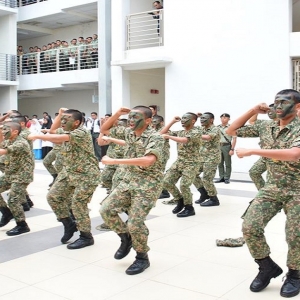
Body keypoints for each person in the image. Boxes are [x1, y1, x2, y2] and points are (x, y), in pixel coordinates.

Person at [226, 89, 300, 298]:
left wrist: (254, 151)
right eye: (275, 102)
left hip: (298, 190)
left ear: (297, 107)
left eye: (283, 102)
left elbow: (295, 154)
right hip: (273, 187)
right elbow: (232, 130)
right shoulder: (266, 126)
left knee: (295, 235)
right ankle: (266, 266)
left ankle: (295, 273)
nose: (277, 106)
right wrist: (253, 110)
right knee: (250, 226)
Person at [100, 106, 164, 275]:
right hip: (128, 181)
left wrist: (115, 161)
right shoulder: (130, 132)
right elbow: (105, 129)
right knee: (106, 210)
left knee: (135, 223)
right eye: (130, 117)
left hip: (148, 185)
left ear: (149, 121)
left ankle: (142, 257)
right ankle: (125, 238)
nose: (131, 121)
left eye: (136, 117)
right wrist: (118, 114)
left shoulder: (155, 137)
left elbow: (149, 160)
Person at [28, 108, 100, 249]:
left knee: (78, 204)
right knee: (53, 196)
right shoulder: (66, 129)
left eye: (66, 120)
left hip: (86, 175)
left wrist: (38, 137)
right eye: (62, 120)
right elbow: (52, 131)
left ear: (77, 122)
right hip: (69, 173)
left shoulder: (81, 132)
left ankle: (86, 236)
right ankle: (69, 224)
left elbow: (57, 138)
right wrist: (60, 115)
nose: (62, 122)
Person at [160, 113, 202, 217]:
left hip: (192, 162)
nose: (183, 120)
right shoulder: (181, 132)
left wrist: (169, 137)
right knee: (166, 181)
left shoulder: (197, 131)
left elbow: (185, 140)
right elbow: (161, 133)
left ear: (193, 121)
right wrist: (172, 122)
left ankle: (189, 207)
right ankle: (180, 200)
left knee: (184, 185)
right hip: (179, 161)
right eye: (182, 118)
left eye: (186, 118)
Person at [0, 122, 33, 236]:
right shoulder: (8, 141)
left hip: (22, 176)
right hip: (10, 174)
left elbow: (3, 151)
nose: (4, 132)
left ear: (15, 131)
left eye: (6, 130)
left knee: (13, 200)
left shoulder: (21, 143)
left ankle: (22, 225)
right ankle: (6, 213)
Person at [247, 104, 278, 190]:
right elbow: (252, 121)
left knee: (276, 180)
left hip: (280, 157)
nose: (270, 112)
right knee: (254, 172)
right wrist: (256, 111)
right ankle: (264, 195)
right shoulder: (265, 124)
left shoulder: (287, 123)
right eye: (268, 111)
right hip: (266, 156)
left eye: (272, 110)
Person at [193, 112, 221, 207]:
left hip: (212, 157)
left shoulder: (215, 129)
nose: (202, 120)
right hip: (201, 157)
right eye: (201, 119)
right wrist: (195, 117)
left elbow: (208, 137)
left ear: (211, 120)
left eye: (204, 118)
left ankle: (214, 199)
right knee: (193, 174)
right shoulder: (201, 129)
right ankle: (204, 193)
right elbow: (191, 127)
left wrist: (193, 135)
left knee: (207, 179)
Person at [215, 113, 236, 184]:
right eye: (222, 118)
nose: (223, 119)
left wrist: (232, 149)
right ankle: (221, 177)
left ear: (228, 119)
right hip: (218, 146)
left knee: (228, 163)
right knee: (219, 163)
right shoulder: (217, 127)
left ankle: (227, 178)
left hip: (227, 146)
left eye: (225, 118)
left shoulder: (231, 127)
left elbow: (234, 139)